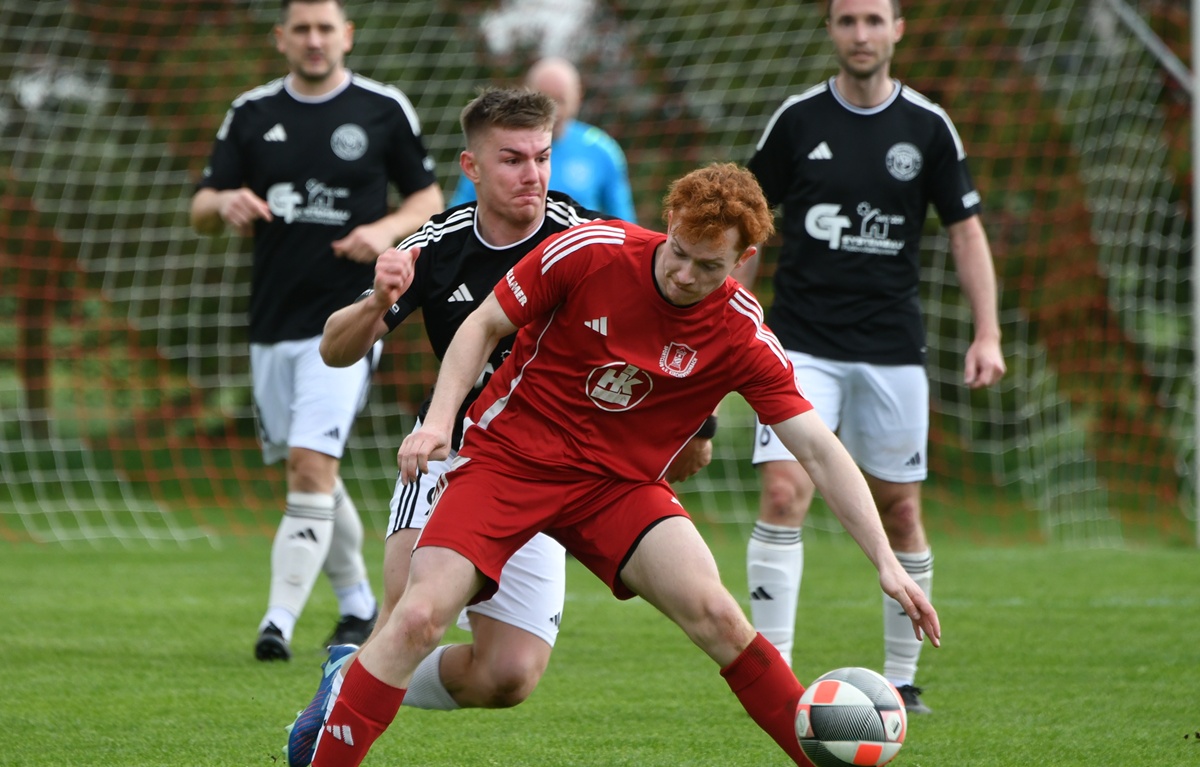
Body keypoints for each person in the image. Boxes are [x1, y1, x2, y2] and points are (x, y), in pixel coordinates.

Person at [308, 162, 940, 767]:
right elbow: (482, 324)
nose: (686, 275)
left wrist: (886, 562)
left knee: (719, 617)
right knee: (416, 618)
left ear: (743, 261)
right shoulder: (589, 251)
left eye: (709, 266)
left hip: (617, 488)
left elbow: (820, 451)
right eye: (679, 253)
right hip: (510, 461)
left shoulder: (744, 335)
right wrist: (441, 423)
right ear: (667, 224)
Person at [283, 86, 712, 767]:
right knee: (410, 621)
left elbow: (679, 298)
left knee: (508, 676)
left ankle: (350, 672)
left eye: (542, 157)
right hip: (451, 455)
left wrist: (701, 421)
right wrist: (375, 301)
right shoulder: (438, 244)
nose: (532, 175)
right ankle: (343, 729)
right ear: (472, 167)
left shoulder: (588, 235)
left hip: (547, 465)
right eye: (511, 160)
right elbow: (334, 349)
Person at [737, 0, 1006, 713]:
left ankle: (902, 677)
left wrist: (988, 332)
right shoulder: (797, 121)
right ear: (831, 30)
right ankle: (777, 675)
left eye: (873, 20)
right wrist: (727, 318)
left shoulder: (927, 126)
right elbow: (748, 226)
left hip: (892, 347)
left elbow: (966, 233)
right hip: (798, 344)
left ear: (897, 31)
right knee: (783, 492)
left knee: (900, 510)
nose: (861, 34)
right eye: (847, 20)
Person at [190, 0, 443, 662]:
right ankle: (358, 602)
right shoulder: (251, 113)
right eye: (300, 28)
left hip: (350, 319)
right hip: (271, 322)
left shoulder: (383, 109)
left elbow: (430, 199)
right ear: (281, 38)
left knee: (309, 465)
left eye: (325, 28)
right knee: (312, 472)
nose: (313, 40)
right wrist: (223, 202)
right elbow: (199, 206)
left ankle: (277, 621)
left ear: (347, 36)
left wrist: (385, 231)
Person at [447, 57, 638, 222]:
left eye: (560, 100)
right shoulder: (495, 148)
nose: (552, 113)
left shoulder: (602, 150)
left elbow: (624, 223)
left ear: (578, 96)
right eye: (545, 101)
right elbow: (459, 212)